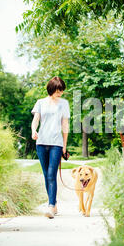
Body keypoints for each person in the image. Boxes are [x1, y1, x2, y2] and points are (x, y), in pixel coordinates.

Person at [31, 76, 70, 219]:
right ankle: (53, 204)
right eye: (58, 91)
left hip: (56, 143)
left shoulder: (64, 104)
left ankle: (51, 206)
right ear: (51, 89)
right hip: (41, 142)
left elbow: (65, 125)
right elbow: (35, 121)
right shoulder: (40, 103)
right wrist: (33, 131)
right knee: (46, 175)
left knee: (51, 174)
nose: (60, 94)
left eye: (61, 91)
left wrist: (64, 145)